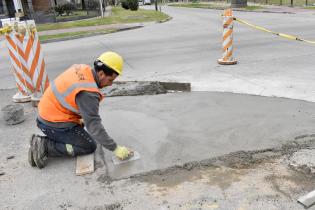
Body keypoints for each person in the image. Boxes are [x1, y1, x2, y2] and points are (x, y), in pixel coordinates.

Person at [28, 51, 132, 169]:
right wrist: (115, 148)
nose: (111, 84)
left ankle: (53, 138)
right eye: (110, 80)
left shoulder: (83, 68)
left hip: (46, 114)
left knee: (82, 129)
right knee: (89, 146)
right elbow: (94, 125)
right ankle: (45, 146)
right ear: (101, 74)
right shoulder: (88, 93)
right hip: (51, 123)